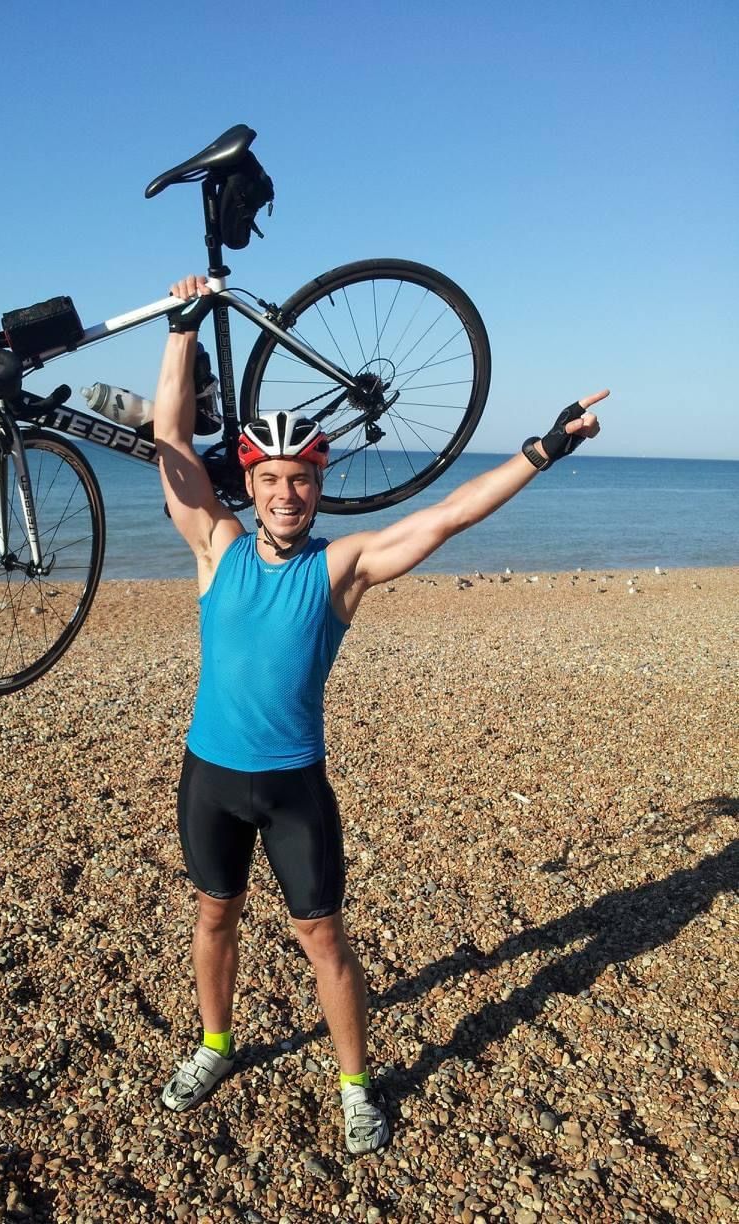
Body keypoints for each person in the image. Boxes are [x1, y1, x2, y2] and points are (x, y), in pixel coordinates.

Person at [154, 273, 606, 1155]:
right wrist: (181, 328)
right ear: (251, 483)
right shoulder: (216, 546)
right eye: (272, 479)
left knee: (322, 936)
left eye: (301, 479)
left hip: (294, 787)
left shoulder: (342, 567)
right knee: (213, 916)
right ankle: (214, 1045)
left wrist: (543, 449)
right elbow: (171, 442)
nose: (286, 494)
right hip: (209, 777)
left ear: (319, 484)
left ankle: (356, 1085)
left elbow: (446, 518)